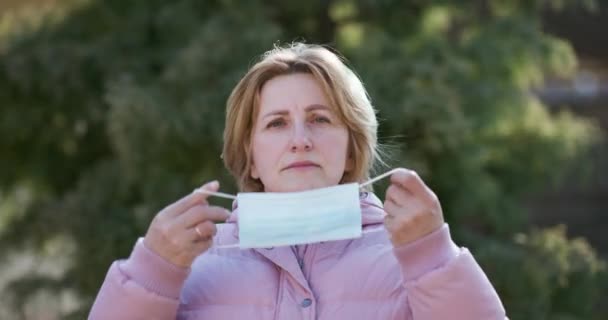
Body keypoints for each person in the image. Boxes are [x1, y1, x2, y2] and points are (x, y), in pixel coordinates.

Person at [89, 43, 507, 319]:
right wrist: (152, 273)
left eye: (320, 119)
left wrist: (430, 255)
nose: (300, 141)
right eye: (276, 124)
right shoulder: (189, 267)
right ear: (249, 156)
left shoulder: (413, 258)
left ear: (351, 146)